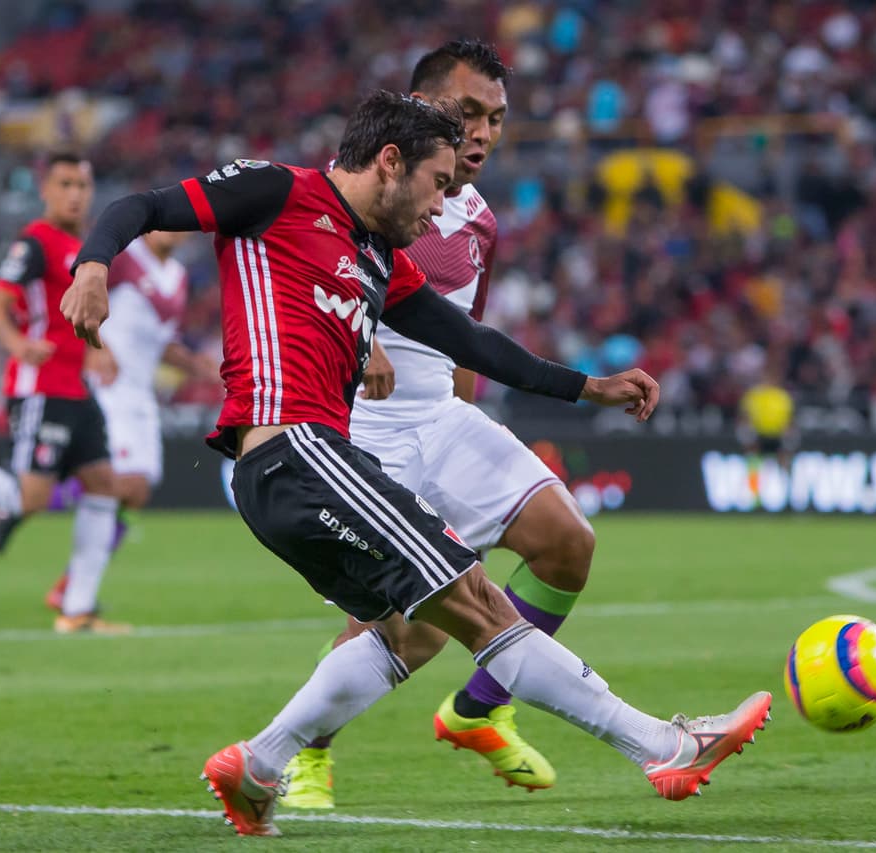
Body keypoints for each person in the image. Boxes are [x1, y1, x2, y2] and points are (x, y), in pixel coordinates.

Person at [61, 90, 769, 838]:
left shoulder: (377, 260)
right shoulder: (276, 191)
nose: (440, 206)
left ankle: (262, 763)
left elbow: (473, 344)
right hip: (296, 450)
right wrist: (92, 267)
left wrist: (587, 387)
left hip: (290, 474)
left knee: (407, 632)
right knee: (479, 601)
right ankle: (664, 748)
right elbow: (140, 206)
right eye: (437, 184)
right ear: (390, 162)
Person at [281, 39, 591, 809]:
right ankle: (305, 751)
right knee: (403, 632)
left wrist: (468, 420)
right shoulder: (356, 188)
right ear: (418, 109)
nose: (483, 132)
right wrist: (362, 337)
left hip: (443, 419)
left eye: (497, 119)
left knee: (566, 542)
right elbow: (306, 282)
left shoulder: (479, 218)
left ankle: (478, 709)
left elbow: (462, 335)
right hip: (364, 430)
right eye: (467, 112)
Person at [0, 151, 128, 635]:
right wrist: (19, 345)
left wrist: (100, 350)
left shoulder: (82, 247)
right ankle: (5, 502)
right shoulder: (35, 242)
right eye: (65, 184)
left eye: (82, 185)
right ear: (45, 190)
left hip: (77, 388)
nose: (75, 194)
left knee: (104, 483)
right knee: (36, 497)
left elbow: (74, 319)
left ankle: (78, 608)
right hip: (39, 389)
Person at [43, 230, 215, 611]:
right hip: (110, 387)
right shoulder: (123, 257)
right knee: (115, 483)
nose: (176, 230)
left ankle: (69, 583)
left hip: (140, 392)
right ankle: (33, 496)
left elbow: (161, 343)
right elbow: (74, 300)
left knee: (136, 491)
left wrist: (196, 366)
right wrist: (95, 348)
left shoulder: (177, 278)